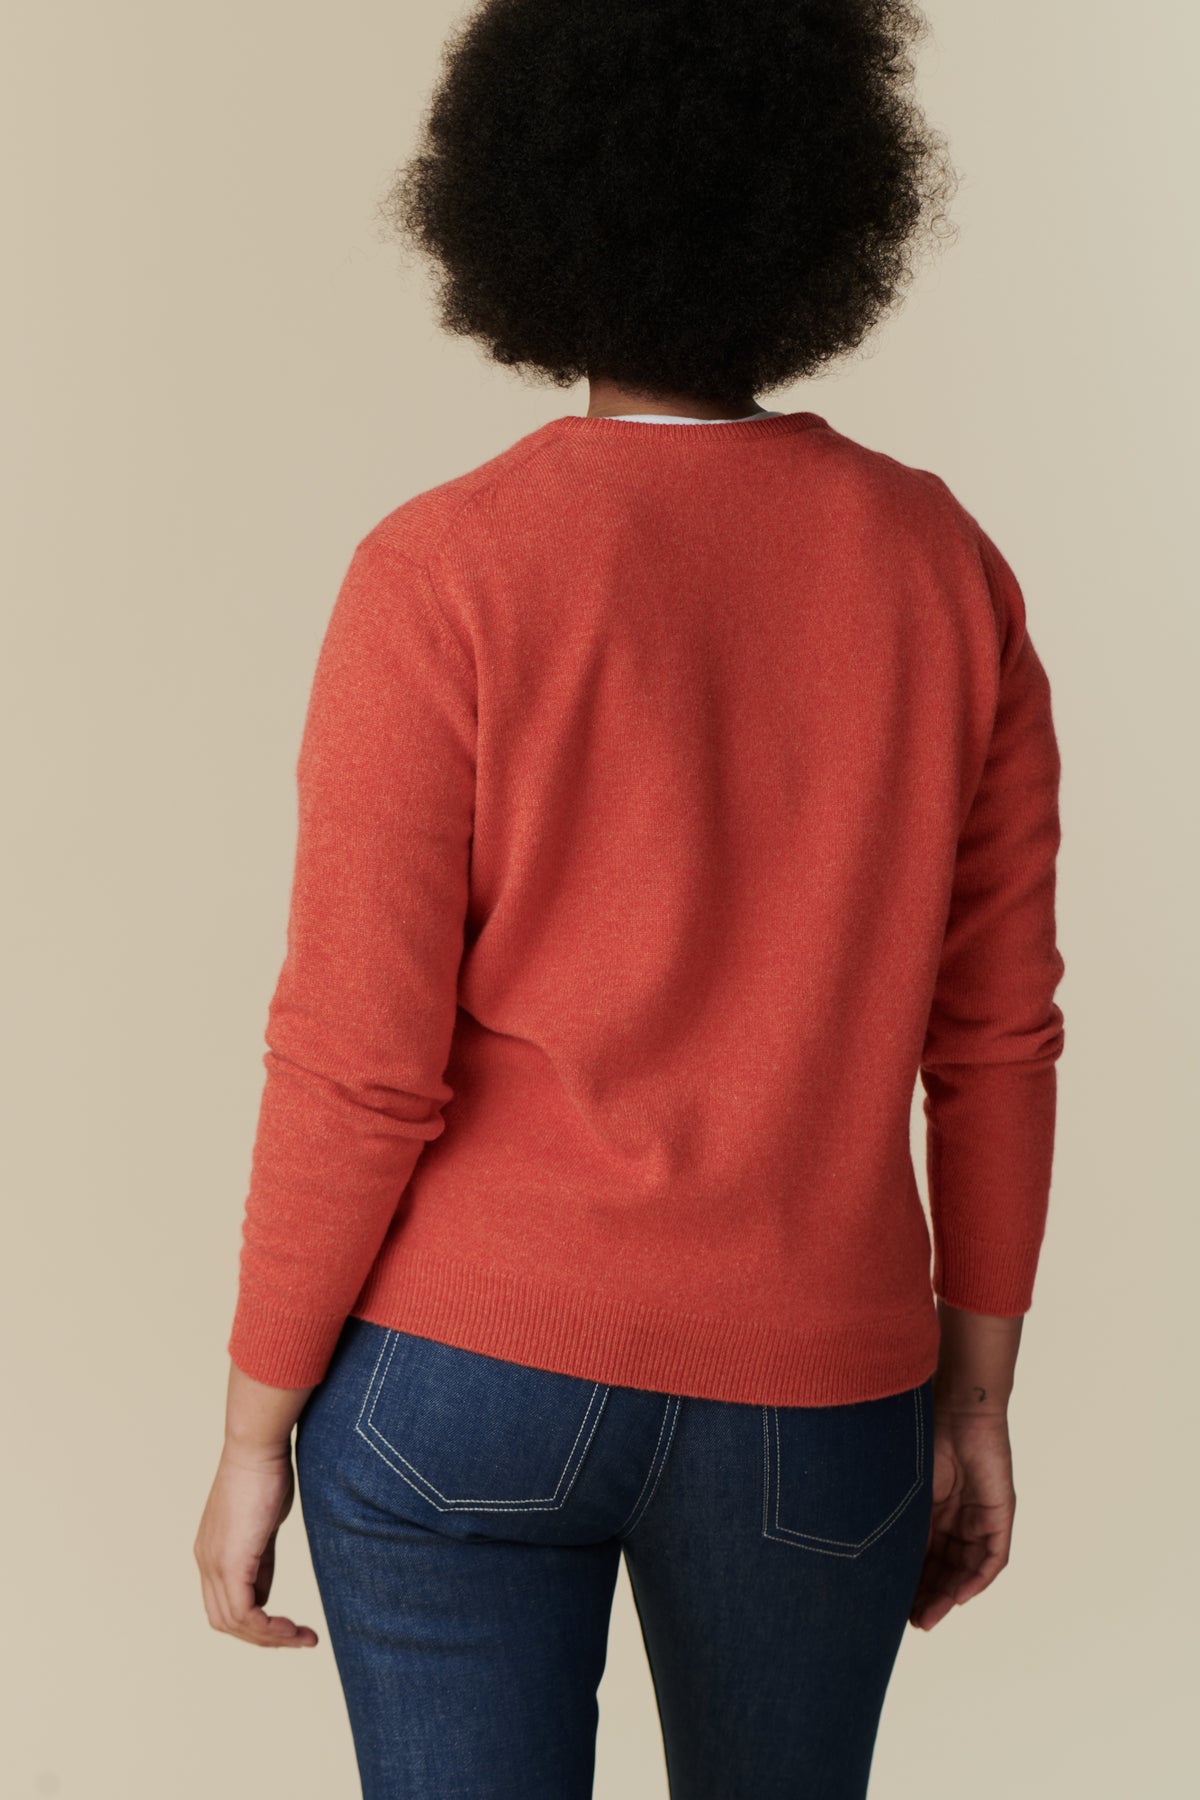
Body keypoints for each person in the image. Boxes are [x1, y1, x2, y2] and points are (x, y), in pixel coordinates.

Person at [194, 1, 1066, 1794]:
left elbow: (357, 1058)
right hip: (815, 1392)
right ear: (827, 214)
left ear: (519, 214)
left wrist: (254, 1421)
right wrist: (974, 1398)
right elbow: (995, 1040)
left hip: (460, 1376)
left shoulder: (440, 572)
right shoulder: (946, 573)